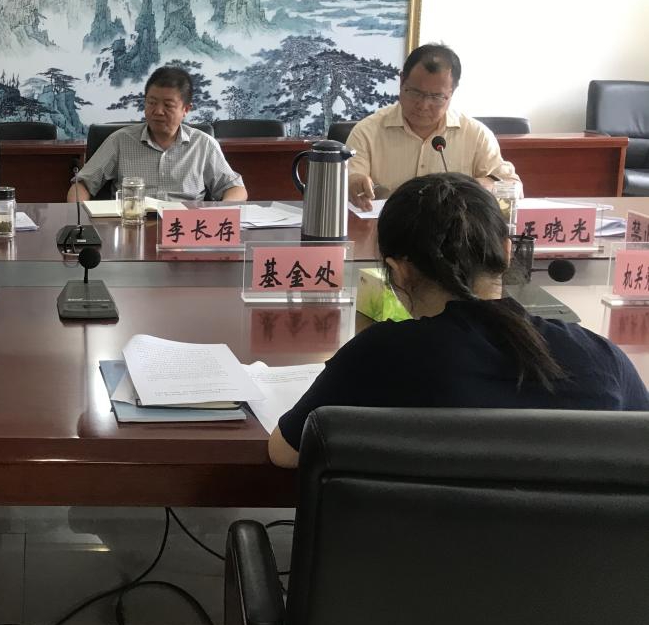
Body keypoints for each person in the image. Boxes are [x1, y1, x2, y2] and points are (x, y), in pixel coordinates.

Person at [268, 172, 649, 468]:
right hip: (570, 551)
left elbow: (285, 452)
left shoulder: (380, 355)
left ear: (399, 271)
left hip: (410, 550)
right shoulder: (601, 359)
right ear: (506, 252)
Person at [346, 43, 519, 212]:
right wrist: (353, 183)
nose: (423, 105)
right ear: (401, 81)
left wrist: (478, 186)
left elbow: (512, 185)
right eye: (415, 92)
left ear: (452, 92)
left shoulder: (476, 135)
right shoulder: (367, 132)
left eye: (436, 97)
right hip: (386, 228)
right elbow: (350, 178)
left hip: (453, 229)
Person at [68, 66, 247, 202]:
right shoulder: (120, 140)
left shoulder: (203, 144)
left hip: (184, 229)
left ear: (186, 109)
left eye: (168, 105)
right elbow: (82, 184)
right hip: (132, 224)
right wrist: (81, 220)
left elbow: (235, 189)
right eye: (151, 103)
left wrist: (220, 213)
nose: (158, 111)